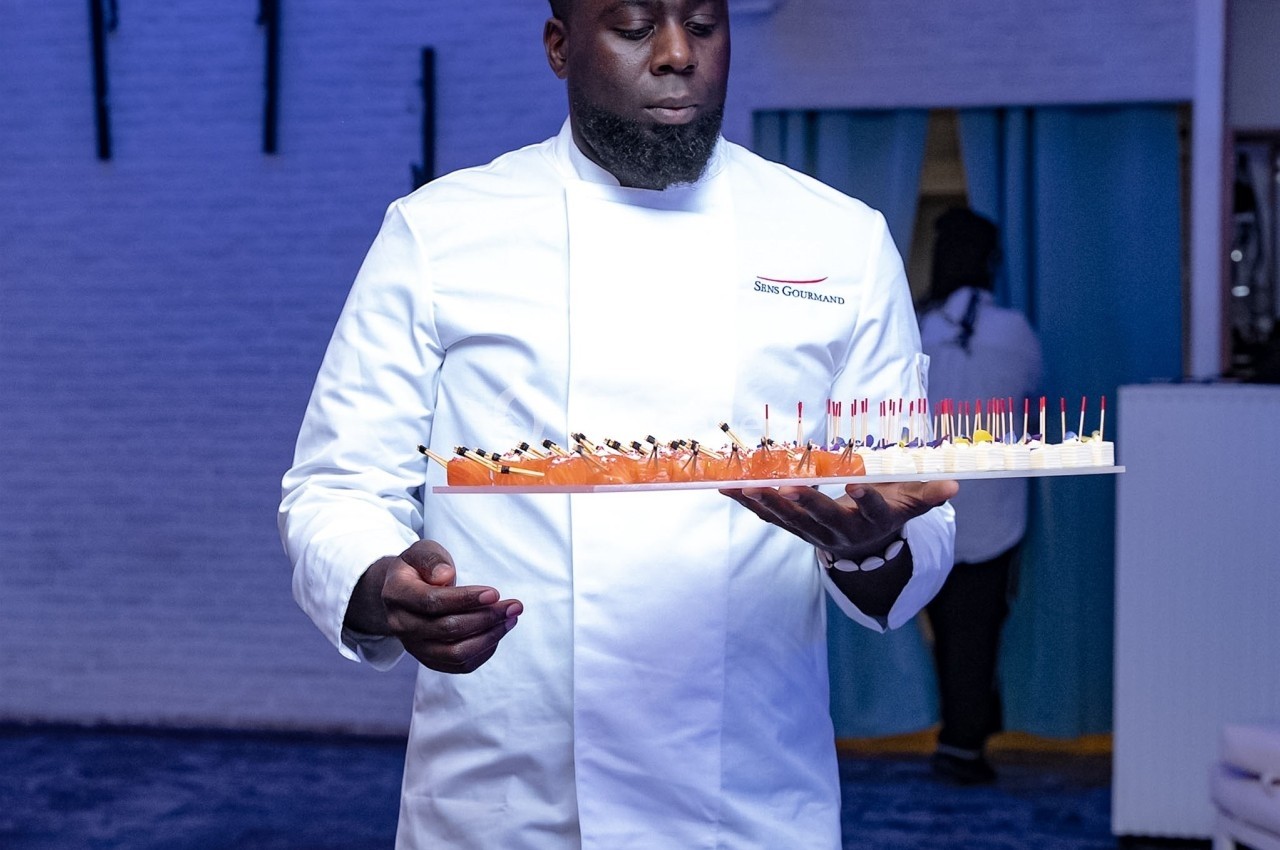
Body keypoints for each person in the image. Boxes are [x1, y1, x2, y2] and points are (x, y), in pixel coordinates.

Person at [279, 1, 957, 846]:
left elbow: (910, 509)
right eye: (636, 28)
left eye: (705, 26)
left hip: (741, 797)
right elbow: (336, 485)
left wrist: (870, 546)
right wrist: (384, 588)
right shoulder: (440, 233)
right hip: (505, 799)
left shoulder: (840, 241)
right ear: (561, 47)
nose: (677, 55)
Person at [917, 207, 1043, 785]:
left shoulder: (919, 329)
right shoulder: (1013, 330)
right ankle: (966, 740)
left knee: (943, 631)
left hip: (928, 506)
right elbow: (1030, 390)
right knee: (983, 627)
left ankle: (956, 735)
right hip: (996, 514)